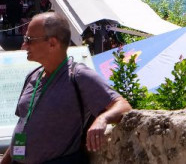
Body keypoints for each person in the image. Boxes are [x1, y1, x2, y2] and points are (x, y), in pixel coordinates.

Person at [1, 12, 131, 164]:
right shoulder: (33, 76)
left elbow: (123, 106)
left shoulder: (78, 76)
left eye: (29, 40)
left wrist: (102, 119)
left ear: (52, 43)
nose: (24, 45)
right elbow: (23, 124)